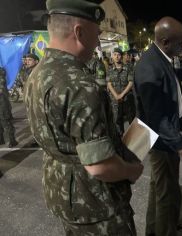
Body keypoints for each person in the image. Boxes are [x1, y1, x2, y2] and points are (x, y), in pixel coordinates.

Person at [23, 0, 143, 235]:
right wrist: (132, 170)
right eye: (96, 34)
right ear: (79, 32)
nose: (98, 42)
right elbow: (99, 166)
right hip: (96, 205)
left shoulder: (37, 74)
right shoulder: (80, 85)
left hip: (62, 193)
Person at [134, 16, 182, 236]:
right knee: (167, 194)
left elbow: (168, 79)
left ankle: (153, 230)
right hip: (162, 140)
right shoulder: (150, 65)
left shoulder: (159, 58)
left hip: (161, 137)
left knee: (158, 189)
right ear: (166, 41)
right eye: (181, 42)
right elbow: (155, 115)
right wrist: (179, 143)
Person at [107, 48, 135, 136]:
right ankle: (121, 141)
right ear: (112, 56)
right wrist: (116, 96)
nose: (116, 56)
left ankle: (134, 140)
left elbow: (131, 82)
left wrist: (121, 95)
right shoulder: (109, 69)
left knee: (132, 120)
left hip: (127, 99)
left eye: (118, 55)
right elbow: (109, 83)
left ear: (121, 56)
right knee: (117, 122)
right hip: (115, 100)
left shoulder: (128, 68)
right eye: (115, 54)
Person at [0, 67, 18, 147]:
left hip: (2, 103)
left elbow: (1, 89)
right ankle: (1, 140)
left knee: (6, 121)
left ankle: (11, 141)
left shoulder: (1, 76)